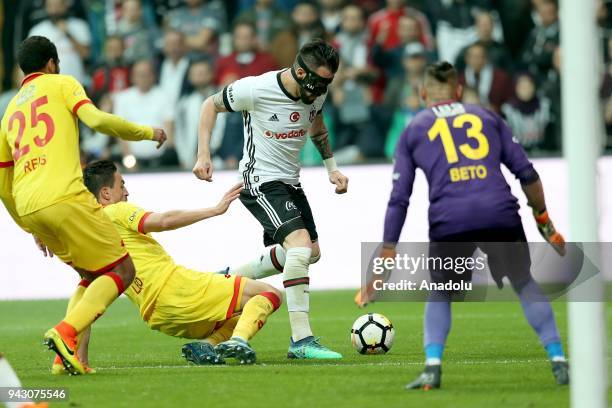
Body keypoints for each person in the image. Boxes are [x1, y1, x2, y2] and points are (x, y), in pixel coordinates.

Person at [359, 61, 569, 388]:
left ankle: (432, 368)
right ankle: (558, 360)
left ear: (424, 92)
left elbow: (399, 198)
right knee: (524, 282)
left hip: (450, 219)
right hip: (500, 212)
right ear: (458, 91)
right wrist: (543, 219)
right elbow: (527, 173)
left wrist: (388, 249)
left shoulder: (414, 129)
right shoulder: (487, 117)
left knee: (441, 292)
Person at [0, 36, 166, 375]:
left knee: (91, 274)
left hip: (30, 204)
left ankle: (65, 357)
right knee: (122, 271)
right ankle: (64, 332)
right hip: (65, 196)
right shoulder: (62, 83)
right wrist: (148, 133)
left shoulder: (10, 111)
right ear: (51, 63)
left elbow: (3, 185)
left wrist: (28, 225)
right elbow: (99, 121)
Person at [193, 39, 349, 359]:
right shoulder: (256, 88)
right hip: (260, 181)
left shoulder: (316, 94)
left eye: (327, 83)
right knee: (300, 247)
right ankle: (301, 340)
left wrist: (331, 169)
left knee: (311, 253)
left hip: (291, 182)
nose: (321, 90)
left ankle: (230, 278)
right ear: (301, 72)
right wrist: (203, 153)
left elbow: (317, 130)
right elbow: (211, 104)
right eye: (317, 82)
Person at [45, 160, 283, 370]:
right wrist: (215, 209)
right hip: (177, 289)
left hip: (158, 317)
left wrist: (81, 360)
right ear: (106, 194)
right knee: (270, 294)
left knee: (243, 311)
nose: (127, 192)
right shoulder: (116, 210)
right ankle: (238, 341)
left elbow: (87, 307)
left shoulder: (93, 235)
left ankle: (207, 346)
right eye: (122, 185)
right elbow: (163, 221)